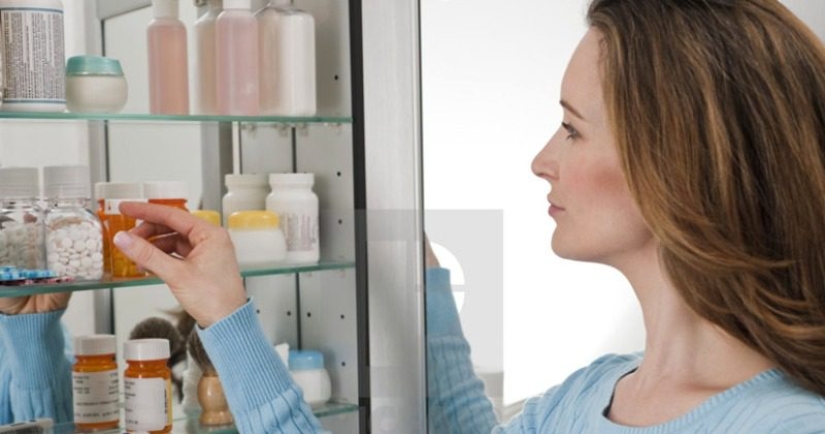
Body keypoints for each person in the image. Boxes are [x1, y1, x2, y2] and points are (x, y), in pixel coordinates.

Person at [3, 0, 825, 431]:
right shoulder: (591, 397)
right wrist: (228, 311)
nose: (542, 159)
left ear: (676, 162)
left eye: (571, 129)